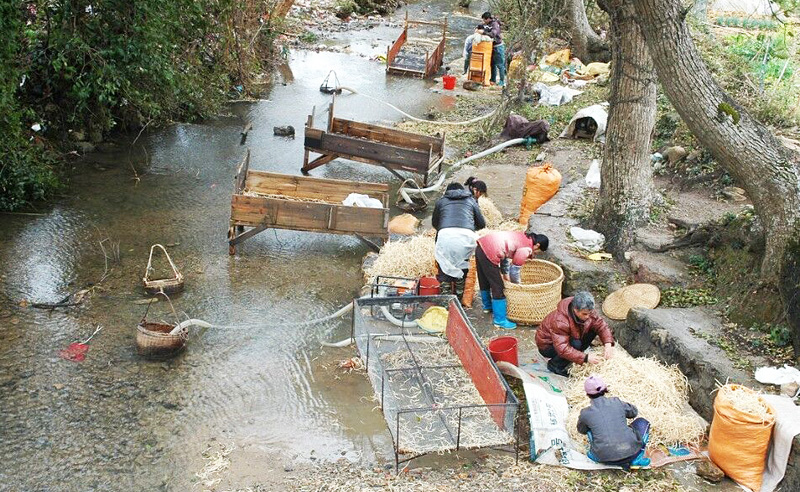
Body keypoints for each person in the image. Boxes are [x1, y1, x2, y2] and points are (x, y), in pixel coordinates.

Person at [475, 229, 549, 329]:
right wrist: (517, 285)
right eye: (539, 252)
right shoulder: (526, 248)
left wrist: (505, 274)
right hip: (489, 251)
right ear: (538, 245)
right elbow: (515, 270)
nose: (536, 254)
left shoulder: (523, 237)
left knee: (484, 279)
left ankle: (487, 306)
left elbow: (504, 254)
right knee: (498, 286)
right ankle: (500, 320)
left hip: (481, 246)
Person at [577, 375, 651, 468]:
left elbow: (581, 430)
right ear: (605, 389)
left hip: (602, 458)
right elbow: (634, 412)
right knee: (642, 422)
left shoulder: (585, 413)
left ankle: (595, 453)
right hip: (632, 453)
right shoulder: (616, 402)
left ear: (587, 394)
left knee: (590, 429)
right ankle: (638, 458)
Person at [535, 291, 615, 376]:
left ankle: (576, 354)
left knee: (593, 328)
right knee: (575, 344)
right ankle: (555, 365)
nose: (587, 316)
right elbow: (563, 348)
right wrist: (585, 358)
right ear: (575, 309)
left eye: (590, 313)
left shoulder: (587, 310)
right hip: (548, 345)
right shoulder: (560, 321)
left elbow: (601, 325)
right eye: (584, 314)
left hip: (571, 336)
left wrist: (608, 344)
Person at [432, 183, 486, 299]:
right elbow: (482, 224)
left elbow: (435, 223)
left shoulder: (441, 201)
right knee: (461, 267)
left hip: (445, 235)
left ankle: (445, 304)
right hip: (466, 236)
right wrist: (469, 227)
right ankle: (458, 302)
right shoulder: (471, 201)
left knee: (444, 266)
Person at [482, 11, 506, 87]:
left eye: (484, 20)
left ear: (488, 19)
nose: (484, 21)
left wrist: (483, 33)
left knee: (500, 65)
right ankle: (493, 80)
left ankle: (502, 81)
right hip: (491, 47)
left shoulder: (495, 24)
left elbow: (493, 34)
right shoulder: (489, 24)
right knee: (492, 64)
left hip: (498, 47)